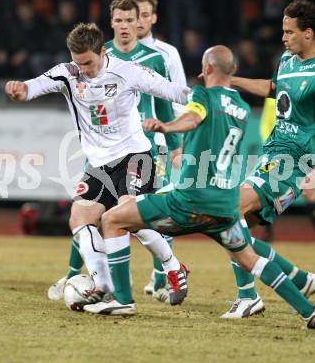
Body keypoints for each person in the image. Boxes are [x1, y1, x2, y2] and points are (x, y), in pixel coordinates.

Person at [83, 45, 315, 330]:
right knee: (250, 258)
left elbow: (193, 116)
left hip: (188, 200)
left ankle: (122, 298)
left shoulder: (201, 94)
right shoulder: (242, 109)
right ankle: (308, 311)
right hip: (223, 205)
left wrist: (167, 127)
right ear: (233, 73)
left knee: (113, 217)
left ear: (206, 70)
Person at [5, 22, 190, 315]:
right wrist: (20, 90)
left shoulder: (126, 71)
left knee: (125, 217)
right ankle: (102, 286)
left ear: (103, 51)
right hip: (99, 164)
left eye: (89, 62)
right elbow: (34, 87)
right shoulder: (67, 73)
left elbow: (172, 91)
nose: (84, 69)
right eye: (78, 62)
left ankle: (172, 267)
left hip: (134, 156)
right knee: (80, 218)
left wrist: (207, 94)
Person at [47, 0, 182, 302]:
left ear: (142, 22)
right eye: (118, 20)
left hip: (145, 147)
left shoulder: (158, 56)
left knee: (131, 214)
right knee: (87, 210)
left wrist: (174, 144)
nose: (124, 26)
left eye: (132, 19)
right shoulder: (94, 53)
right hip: (103, 148)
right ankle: (81, 276)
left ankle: (162, 274)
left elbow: (166, 103)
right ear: (111, 23)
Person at [221, 0, 315, 319]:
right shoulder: (287, 59)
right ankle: (300, 279)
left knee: (229, 210)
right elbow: (273, 88)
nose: (284, 37)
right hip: (272, 154)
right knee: (238, 226)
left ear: (309, 33)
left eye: (290, 32)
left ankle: (248, 296)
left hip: (295, 162)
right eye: (283, 31)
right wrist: (231, 81)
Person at [130, 0, 187, 296]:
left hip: (158, 142)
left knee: (156, 207)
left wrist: (173, 137)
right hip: (124, 144)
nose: (138, 21)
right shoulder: (114, 53)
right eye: (132, 15)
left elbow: (179, 97)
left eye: (143, 14)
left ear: (153, 17)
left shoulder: (166, 53)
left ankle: (162, 275)